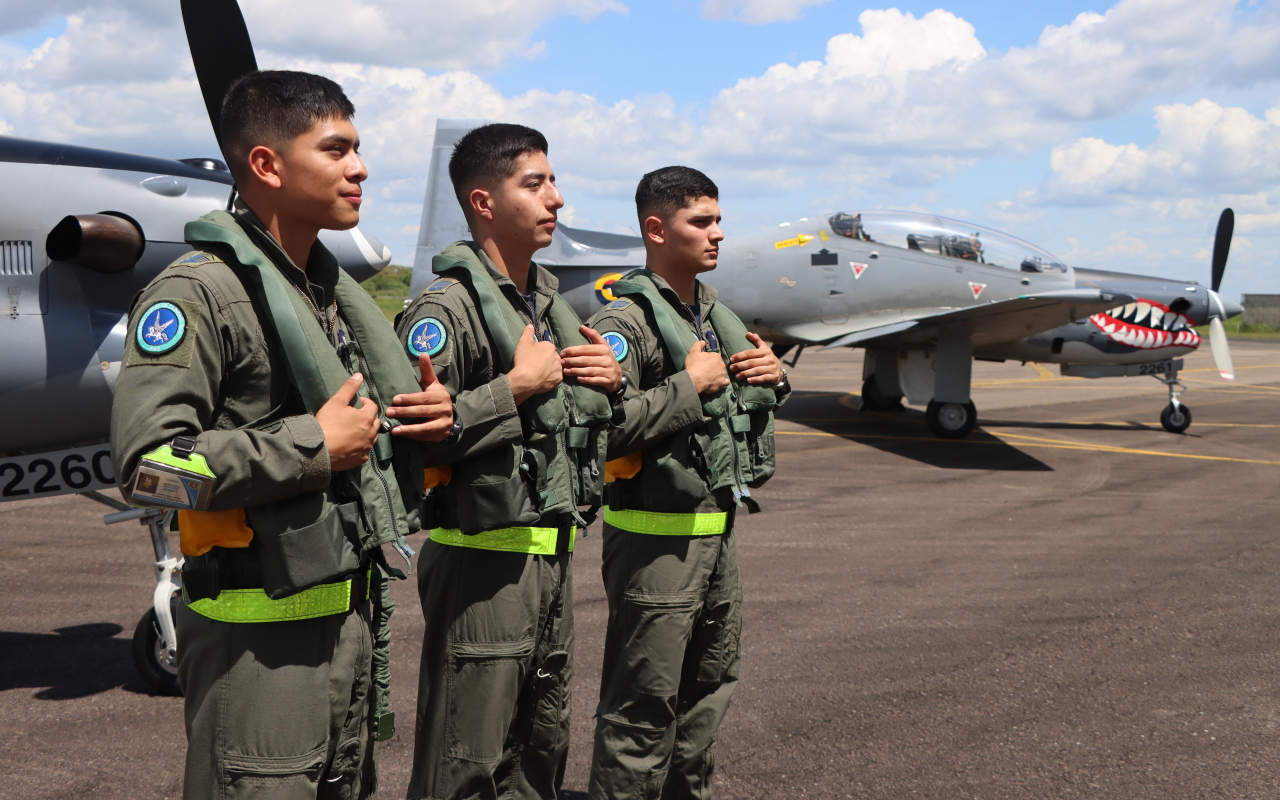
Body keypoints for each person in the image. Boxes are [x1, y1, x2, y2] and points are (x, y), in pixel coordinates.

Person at [110, 70, 453, 800]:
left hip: (347, 631)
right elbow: (147, 471)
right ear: (266, 165)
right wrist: (313, 447)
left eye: (358, 148)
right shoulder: (199, 294)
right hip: (255, 653)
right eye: (335, 149)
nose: (359, 167)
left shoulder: (324, 298)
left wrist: (417, 421)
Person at [392, 123, 624, 800]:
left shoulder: (545, 308)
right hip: (480, 567)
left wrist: (610, 385)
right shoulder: (446, 311)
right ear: (484, 202)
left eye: (553, 181)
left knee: (538, 756)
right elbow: (411, 440)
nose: (557, 198)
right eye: (536, 183)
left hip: (548, 560)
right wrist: (515, 388)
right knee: (463, 766)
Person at [585, 166, 789, 800]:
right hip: (655, 549)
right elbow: (599, 436)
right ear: (656, 228)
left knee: (708, 694)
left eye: (719, 219)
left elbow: (738, 412)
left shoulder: (711, 315)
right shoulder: (626, 324)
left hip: (715, 538)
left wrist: (775, 377)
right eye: (701, 221)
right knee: (642, 711)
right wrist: (688, 388)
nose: (718, 234)